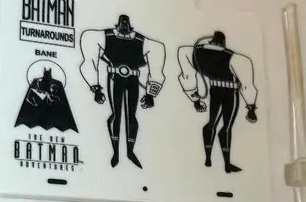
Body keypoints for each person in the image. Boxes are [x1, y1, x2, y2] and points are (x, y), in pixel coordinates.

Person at [80, 15, 166, 168]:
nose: (124, 25)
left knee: (131, 116)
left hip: (132, 79)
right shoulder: (104, 36)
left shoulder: (142, 41)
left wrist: (151, 93)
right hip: (115, 78)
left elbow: (157, 60)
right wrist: (95, 87)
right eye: (122, 22)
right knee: (116, 115)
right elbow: (89, 60)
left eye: (126, 23)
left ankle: (130, 151)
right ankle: (115, 152)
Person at [177, 31, 258, 172]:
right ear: (223, 42)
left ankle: (208, 159)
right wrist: (251, 107)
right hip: (230, 93)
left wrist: (195, 99)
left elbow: (187, 74)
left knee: (212, 124)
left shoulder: (194, 52)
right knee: (226, 127)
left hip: (215, 91)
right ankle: (226, 165)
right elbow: (247, 85)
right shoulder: (235, 58)